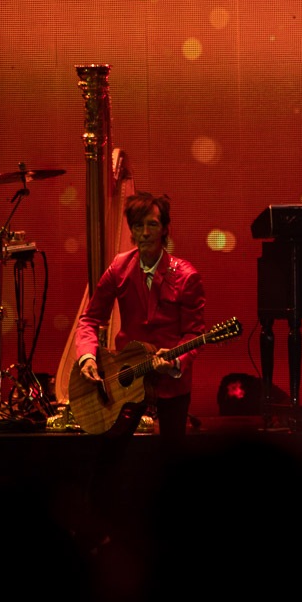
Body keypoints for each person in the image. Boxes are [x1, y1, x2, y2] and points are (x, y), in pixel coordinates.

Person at [76, 191, 206, 446]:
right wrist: (87, 357)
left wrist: (175, 362)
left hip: (170, 382)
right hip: (127, 378)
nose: (145, 233)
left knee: (172, 455)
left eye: (152, 225)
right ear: (132, 231)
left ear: (165, 229)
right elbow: (90, 319)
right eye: (138, 226)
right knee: (111, 452)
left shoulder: (186, 276)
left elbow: (195, 334)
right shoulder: (119, 267)